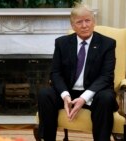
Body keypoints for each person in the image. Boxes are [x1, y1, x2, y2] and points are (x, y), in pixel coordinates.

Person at [37, 3, 119, 141]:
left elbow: (106, 76)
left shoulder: (107, 44)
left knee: (106, 98)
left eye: (88, 21)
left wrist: (84, 98)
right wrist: (65, 95)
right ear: (72, 26)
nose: (84, 25)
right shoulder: (62, 43)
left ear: (94, 22)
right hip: (69, 91)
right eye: (79, 22)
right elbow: (55, 73)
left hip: (95, 92)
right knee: (45, 94)